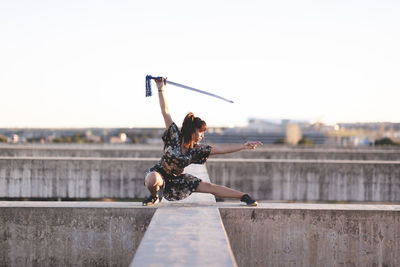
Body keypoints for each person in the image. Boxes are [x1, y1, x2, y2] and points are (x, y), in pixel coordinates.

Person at [143, 77, 262, 206]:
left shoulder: (197, 149)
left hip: (177, 179)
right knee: (151, 179)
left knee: (210, 187)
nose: (202, 135)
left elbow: (222, 150)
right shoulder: (174, 135)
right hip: (159, 173)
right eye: (201, 132)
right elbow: (165, 111)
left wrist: (243, 146)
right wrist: (160, 88)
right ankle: (154, 196)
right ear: (192, 131)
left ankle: (243, 196)